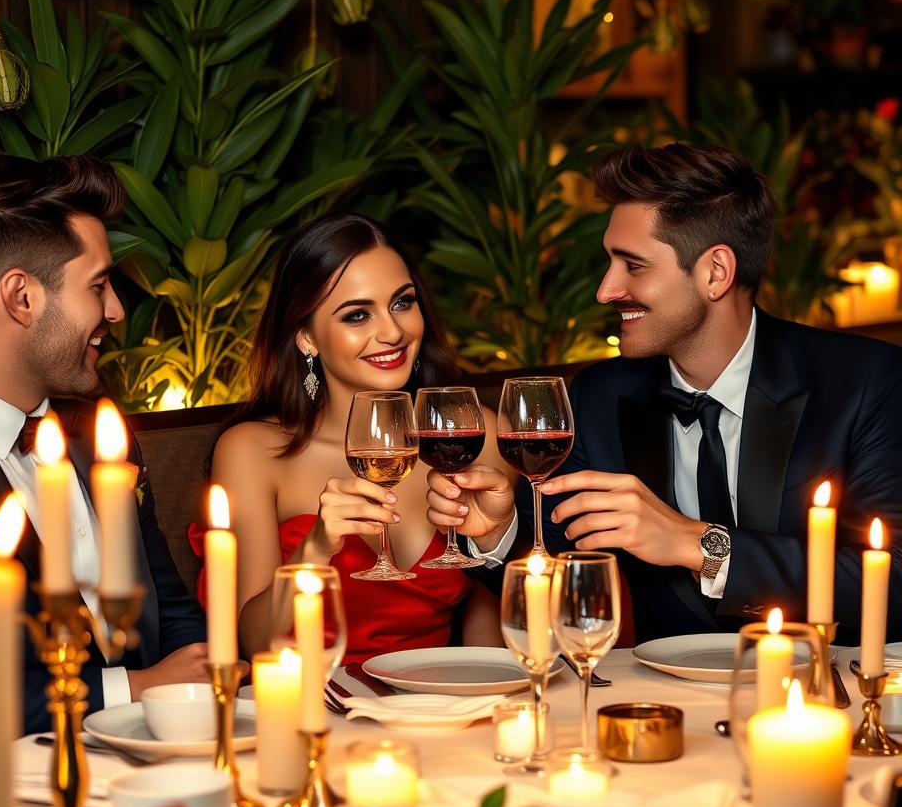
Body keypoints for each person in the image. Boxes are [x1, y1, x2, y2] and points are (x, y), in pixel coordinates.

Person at [426, 143, 902, 643]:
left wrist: (699, 544)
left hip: (824, 700)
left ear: (715, 272)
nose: (606, 290)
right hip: (658, 707)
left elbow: (894, 581)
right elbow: (562, 588)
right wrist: (497, 536)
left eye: (633, 265)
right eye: (610, 263)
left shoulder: (866, 383)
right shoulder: (599, 397)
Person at [0, 155, 208, 760]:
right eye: (98, 285)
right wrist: (131, 690)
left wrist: (197, 691)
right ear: (21, 297)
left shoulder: (98, 431)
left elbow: (171, 610)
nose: (115, 312)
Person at [203, 213, 510, 660]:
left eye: (403, 303)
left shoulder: (473, 433)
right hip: (313, 708)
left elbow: (489, 627)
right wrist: (315, 548)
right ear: (306, 338)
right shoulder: (253, 451)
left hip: (440, 711)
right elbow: (254, 643)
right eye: (358, 315)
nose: (392, 332)